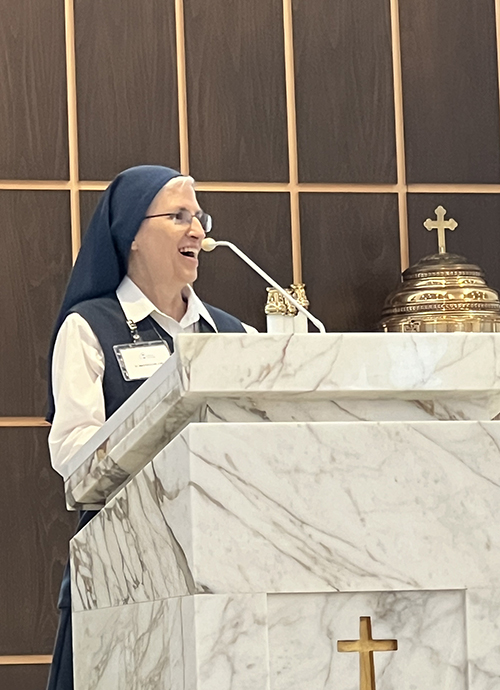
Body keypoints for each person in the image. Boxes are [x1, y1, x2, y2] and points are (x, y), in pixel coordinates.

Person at [46, 165, 255, 690]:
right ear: (131, 234)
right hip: (121, 561)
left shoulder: (234, 335)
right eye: (179, 216)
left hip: (223, 563)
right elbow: (72, 451)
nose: (197, 231)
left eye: (199, 217)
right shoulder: (90, 327)